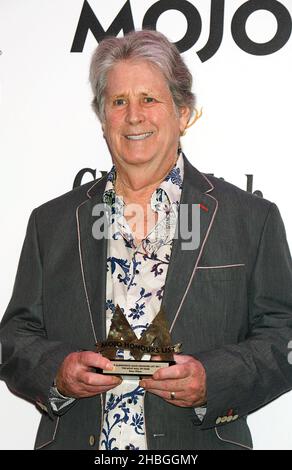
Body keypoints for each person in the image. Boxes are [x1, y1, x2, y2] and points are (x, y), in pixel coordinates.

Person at [1, 29, 292, 451]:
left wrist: (214, 380)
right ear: (103, 118)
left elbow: (282, 334)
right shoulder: (52, 223)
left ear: (183, 111)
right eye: (119, 102)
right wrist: (57, 372)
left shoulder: (250, 219)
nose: (134, 116)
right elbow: (16, 336)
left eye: (149, 99)